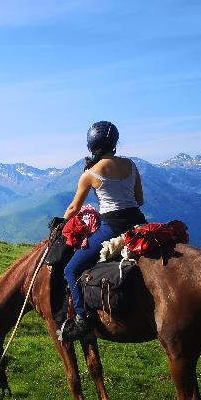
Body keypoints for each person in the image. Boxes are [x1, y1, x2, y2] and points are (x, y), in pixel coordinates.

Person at [58, 121, 147, 341]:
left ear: (91, 145)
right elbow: (139, 200)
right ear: (115, 142)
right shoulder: (131, 165)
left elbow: (73, 208)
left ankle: (81, 320)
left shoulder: (90, 173)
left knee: (70, 269)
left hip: (112, 227)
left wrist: (61, 222)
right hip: (138, 223)